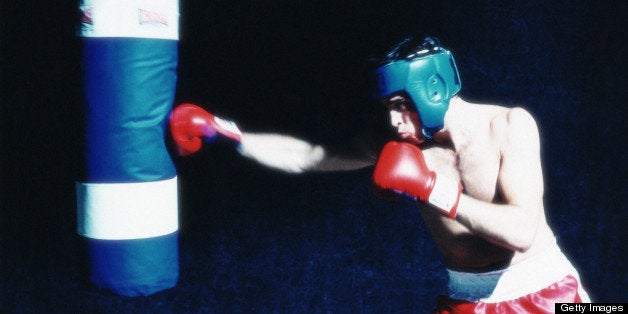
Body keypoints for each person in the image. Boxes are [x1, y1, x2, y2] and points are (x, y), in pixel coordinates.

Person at [169, 36, 590, 312]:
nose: (392, 120)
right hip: (466, 299)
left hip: (549, 292)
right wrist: (231, 135)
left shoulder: (510, 126)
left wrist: (431, 187)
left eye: (399, 104)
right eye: (387, 106)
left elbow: (520, 230)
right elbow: (311, 156)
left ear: (434, 89)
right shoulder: (406, 146)